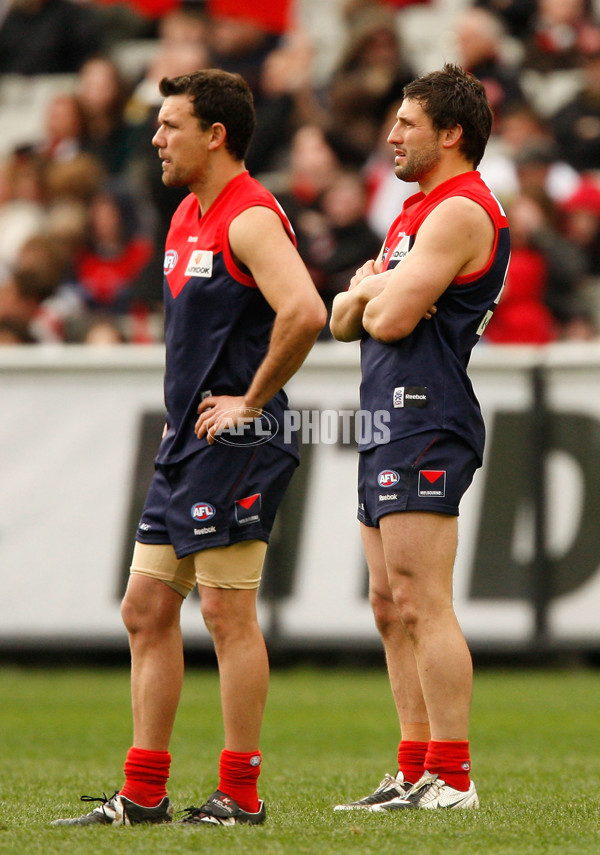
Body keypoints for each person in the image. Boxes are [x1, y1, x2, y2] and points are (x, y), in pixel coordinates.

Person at [52, 68, 326, 827]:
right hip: (187, 445)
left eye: (170, 126)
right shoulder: (183, 217)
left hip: (238, 442)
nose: (155, 138)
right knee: (144, 609)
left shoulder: (249, 215)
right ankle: (143, 794)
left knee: (227, 615)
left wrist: (252, 402)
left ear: (215, 135)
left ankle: (241, 792)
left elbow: (305, 310)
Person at [329, 64, 510, 812]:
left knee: (422, 597)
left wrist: (370, 288)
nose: (391, 133)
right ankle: (414, 765)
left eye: (407, 122)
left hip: (426, 413)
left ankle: (454, 775)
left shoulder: (462, 210)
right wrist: (368, 293)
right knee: (385, 599)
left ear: (451, 132)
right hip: (388, 415)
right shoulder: (414, 212)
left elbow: (387, 317)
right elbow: (339, 319)